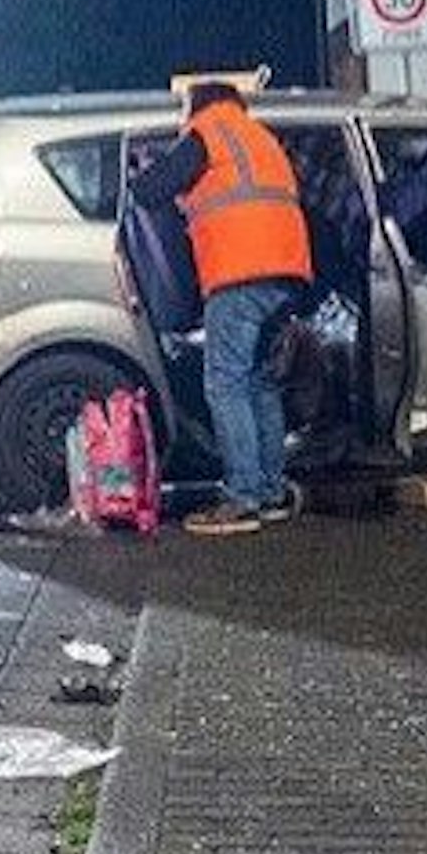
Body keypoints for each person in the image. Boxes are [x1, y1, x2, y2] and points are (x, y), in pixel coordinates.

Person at [131, 82, 312, 536]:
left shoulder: (206, 134)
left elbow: (150, 191)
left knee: (226, 383)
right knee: (261, 383)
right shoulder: (260, 137)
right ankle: (270, 490)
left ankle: (242, 497)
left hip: (239, 273)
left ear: (197, 106)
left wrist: (141, 169)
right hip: (286, 275)